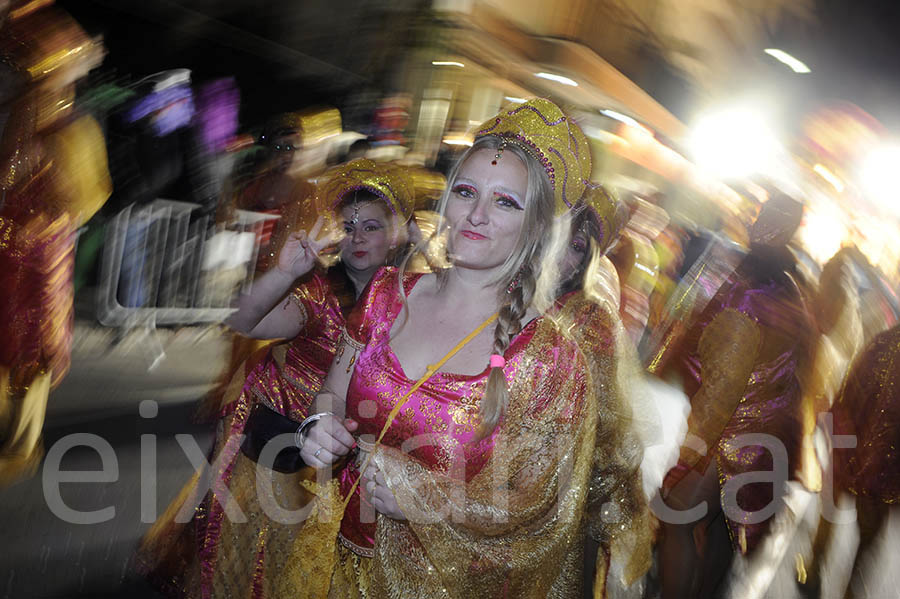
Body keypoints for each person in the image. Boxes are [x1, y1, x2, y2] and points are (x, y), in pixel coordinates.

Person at [265, 98, 651, 598]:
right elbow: (331, 397)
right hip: (336, 563)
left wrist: (431, 499)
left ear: (535, 227)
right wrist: (319, 428)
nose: (477, 214)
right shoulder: (385, 293)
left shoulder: (551, 358)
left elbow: (543, 507)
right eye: (467, 192)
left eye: (505, 202)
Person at [135, 159, 416, 598]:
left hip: (355, 447)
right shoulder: (320, 291)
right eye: (349, 226)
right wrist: (286, 271)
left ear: (399, 232)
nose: (358, 237)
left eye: (373, 226)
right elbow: (245, 322)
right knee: (263, 552)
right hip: (285, 441)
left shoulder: (413, 296)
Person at [651, 194, 818, 598]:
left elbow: (720, 394)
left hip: (729, 441)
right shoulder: (791, 289)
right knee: (726, 531)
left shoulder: (748, 296)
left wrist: (686, 459)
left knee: (676, 517)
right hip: (766, 441)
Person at [0, 0, 111, 484]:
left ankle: (21, 442)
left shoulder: (71, 130)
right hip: (8, 246)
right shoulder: (18, 109)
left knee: (30, 342)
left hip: (41, 253)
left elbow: (84, 198)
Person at [801, 324, 900, 599]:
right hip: (888, 469)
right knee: (868, 540)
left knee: (831, 508)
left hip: (853, 448)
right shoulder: (884, 341)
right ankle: (850, 593)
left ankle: (813, 569)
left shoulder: (883, 341)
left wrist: (836, 425)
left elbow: (852, 386)